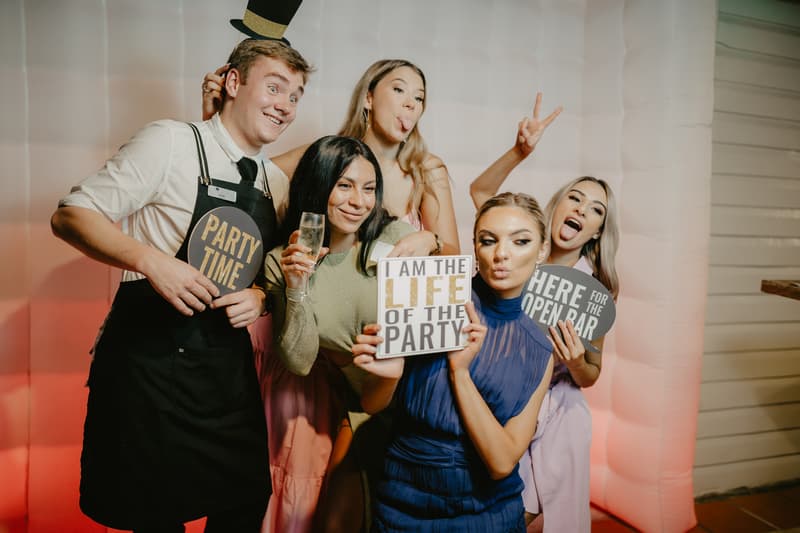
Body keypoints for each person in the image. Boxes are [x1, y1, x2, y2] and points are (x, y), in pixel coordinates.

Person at [50, 38, 312, 532]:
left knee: (246, 496)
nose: (285, 105)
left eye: (295, 95)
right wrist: (152, 261)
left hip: (222, 371)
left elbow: (272, 274)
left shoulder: (273, 183)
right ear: (233, 82)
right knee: (156, 515)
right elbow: (71, 215)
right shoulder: (171, 142)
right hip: (149, 366)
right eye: (274, 87)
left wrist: (259, 298)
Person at [350, 192, 556, 531]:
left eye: (520, 241)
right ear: (475, 247)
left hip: (487, 514)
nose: (501, 254)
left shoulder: (537, 349)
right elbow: (371, 403)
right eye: (488, 241)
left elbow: (502, 462)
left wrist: (459, 372)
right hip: (403, 502)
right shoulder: (432, 297)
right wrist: (387, 375)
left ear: (542, 249)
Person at [471, 114, 620, 532]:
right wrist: (520, 152)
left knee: (546, 515)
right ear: (558, 205)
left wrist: (575, 362)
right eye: (575, 198)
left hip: (560, 402)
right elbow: (482, 194)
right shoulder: (518, 247)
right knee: (505, 503)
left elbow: (591, 374)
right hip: (508, 392)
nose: (581, 211)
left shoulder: (595, 291)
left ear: (595, 231)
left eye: (595, 210)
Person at [262, 135, 415, 531]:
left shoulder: (394, 238)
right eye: (344, 185)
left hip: (419, 397)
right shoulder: (282, 261)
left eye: (368, 189)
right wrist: (297, 284)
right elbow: (298, 360)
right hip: (364, 405)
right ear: (318, 184)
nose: (358, 201)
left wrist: (428, 239)